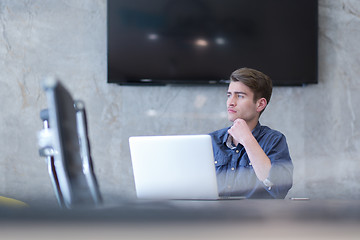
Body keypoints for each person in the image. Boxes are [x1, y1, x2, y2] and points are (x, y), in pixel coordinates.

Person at [209, 67, 293, 199]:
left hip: (255, 218)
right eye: (229, 95)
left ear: (260, 104)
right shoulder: (211, 140)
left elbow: (279, 188)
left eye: (240, 96)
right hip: (213, 217)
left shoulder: (274, 140)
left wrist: (247, 139)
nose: (230, 102)